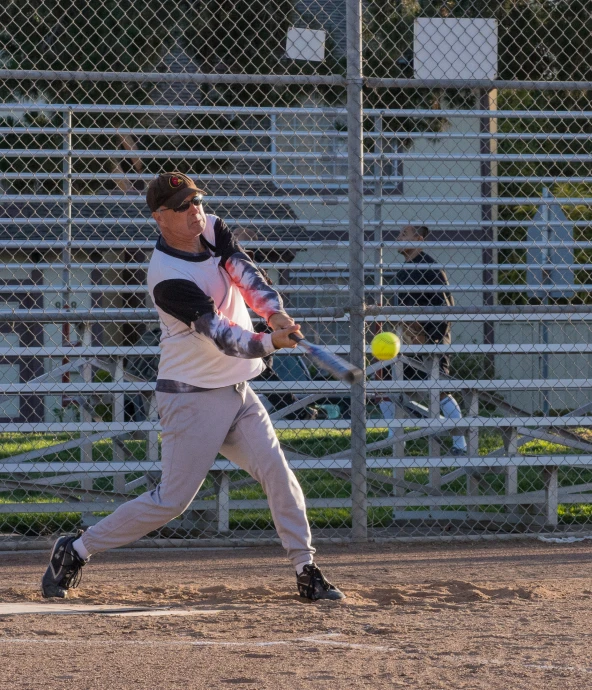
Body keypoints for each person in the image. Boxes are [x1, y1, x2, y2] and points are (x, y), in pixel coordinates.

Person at [41, 171, 344, 602]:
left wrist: (273, 313)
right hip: (191, 397)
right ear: (160, 217)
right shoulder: (167, 278)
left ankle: (305, 569)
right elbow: (221, 335)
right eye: (183, 206)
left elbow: (245, 274)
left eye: (196, 201)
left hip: (237, 391)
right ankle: (77, 548)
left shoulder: (213, 228)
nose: (194, 211)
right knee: (171, 501)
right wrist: (267, 341)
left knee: (278, 473)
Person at [380, 224, 467, 456]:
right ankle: (395, 439)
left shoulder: (430, 269)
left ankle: (460, 445)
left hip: (430, 344)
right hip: (403, 345)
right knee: (387, 390)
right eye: (398, 234)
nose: (398, 238)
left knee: (438, 393)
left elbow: (444, 308)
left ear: (419, 238)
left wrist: (428, 338)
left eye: (403, 235)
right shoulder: (402, 272)